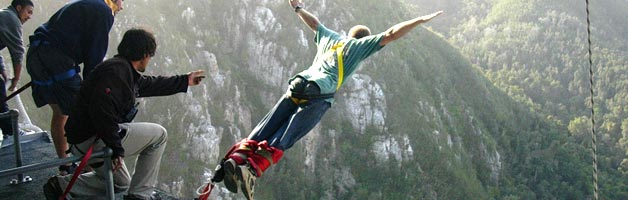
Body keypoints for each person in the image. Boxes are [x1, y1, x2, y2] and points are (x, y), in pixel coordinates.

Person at [211, 0, 443, 199]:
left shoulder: (332, 38)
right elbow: (391, 34)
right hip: (319, 93)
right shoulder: (361, 46)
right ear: (364, 39)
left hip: (298, 83)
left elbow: (315, 24)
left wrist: (298, 8)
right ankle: (252, 168)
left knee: (268, 124)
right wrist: (419, 20)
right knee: (288, 134)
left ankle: (238, 157)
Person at [42, 28, 205, 200]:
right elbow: (101, 111)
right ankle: (139, 196)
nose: (149, 60)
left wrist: (184, 81)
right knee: (159, 136)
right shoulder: (116, 73)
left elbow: (151, 84)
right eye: (150, 55)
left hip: (84, 138)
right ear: (143, 54)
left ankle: (61, 186)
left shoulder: (120, 69)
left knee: (120, 183)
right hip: (93, 138)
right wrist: (116, 149)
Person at [25, 0, 123, 175]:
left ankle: (65, 167)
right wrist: (92, 92)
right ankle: (87, 174)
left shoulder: (86, 4)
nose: (122, 7)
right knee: (85, 115)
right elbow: (94, 58)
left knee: (61, 113)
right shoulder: (104, 11)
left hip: (35, 54)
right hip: (58, 59)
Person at [0, 0, 33, 139]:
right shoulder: (12, 19)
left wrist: (3, 72)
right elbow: (18, 52)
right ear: (19, 8)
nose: (29, 16)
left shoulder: (4, 14)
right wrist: (15, 80)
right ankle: (11, 132)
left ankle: (8, 131)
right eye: (28, 11)